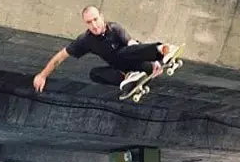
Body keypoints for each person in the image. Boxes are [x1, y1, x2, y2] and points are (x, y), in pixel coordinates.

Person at [32, 5, 179, 95]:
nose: (94, 25)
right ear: (86, 23)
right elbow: (61, 56)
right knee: (94, 74)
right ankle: (130, 79)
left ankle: (162, 50)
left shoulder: (114, 28)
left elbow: (131, 43)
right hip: (125, 71)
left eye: (96, 19)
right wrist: (43, 75)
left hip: (140, 61)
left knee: (124, 52)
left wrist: (154, 61)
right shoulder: (85, 40)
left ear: (101, 17)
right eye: (89, 22)